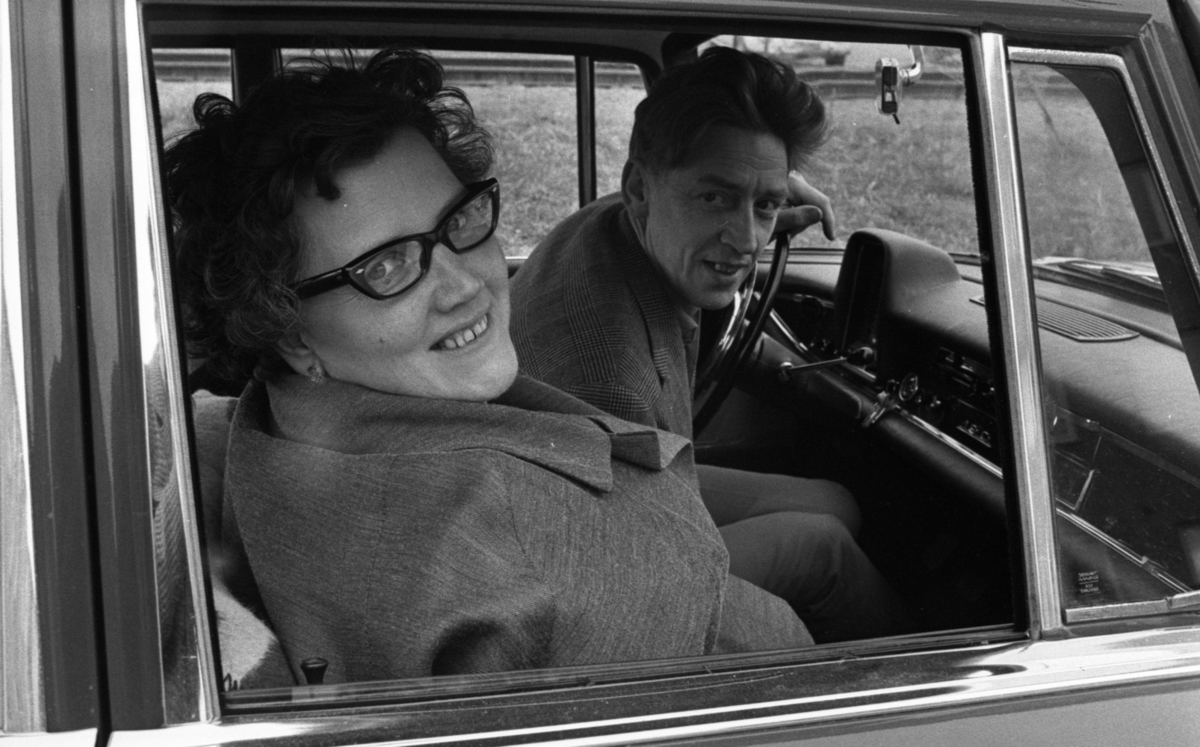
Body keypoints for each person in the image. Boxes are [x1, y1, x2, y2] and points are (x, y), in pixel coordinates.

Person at [164, 48, 813, 685]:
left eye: (459, 220)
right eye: (384, 267)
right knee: (823, 548)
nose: (465, 284)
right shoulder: (540, 541)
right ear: (289, 331)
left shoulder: (282, 420)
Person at [510, 47, 907, 642]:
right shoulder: (607, 374)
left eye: (765, 204)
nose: (746, 241)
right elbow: (622, 594)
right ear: (639, 188)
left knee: (834, 501)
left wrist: (755, 191)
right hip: (597, 568)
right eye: (714, 198)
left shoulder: (619, 222)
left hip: (634, 483)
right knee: (821, 547)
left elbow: (712, 196)